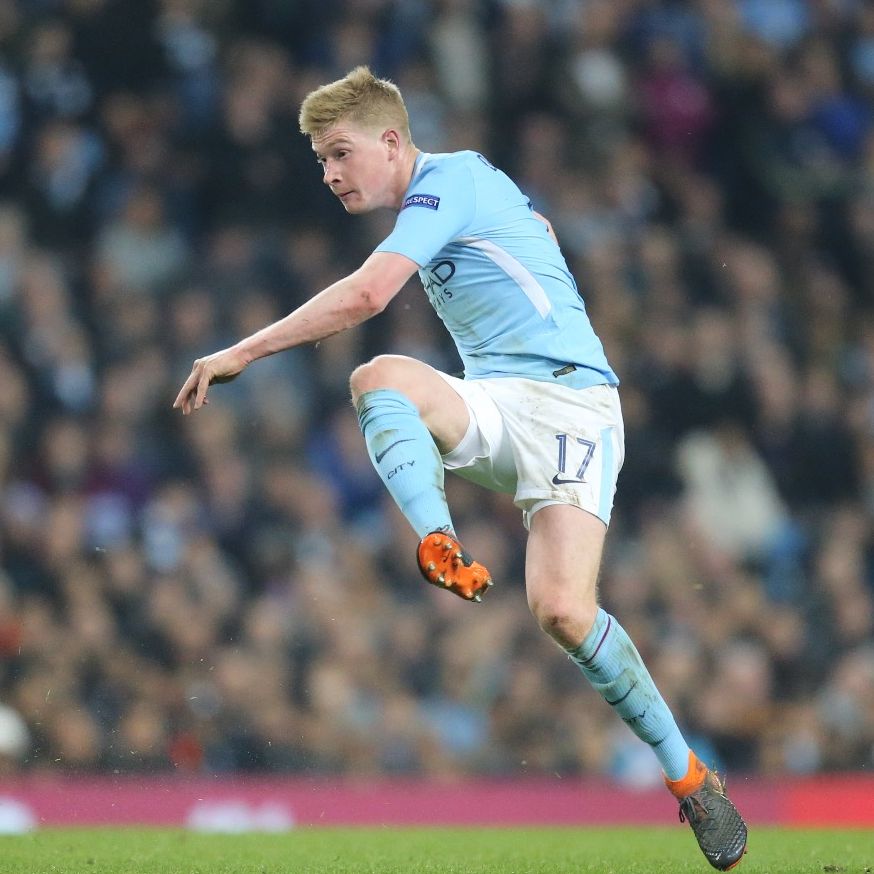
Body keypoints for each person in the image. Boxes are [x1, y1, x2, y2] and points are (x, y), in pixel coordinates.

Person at [174, 66, 748, 870]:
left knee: (562, 612)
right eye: (320, 161)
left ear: (391, 141)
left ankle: (689, 777)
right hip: (499, 402)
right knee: (379, 379)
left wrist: (243, 350)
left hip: (573, 407)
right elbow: (529, 228)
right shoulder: (457, 195)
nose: (330, 174)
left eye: (339, 153)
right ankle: (438, 541)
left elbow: (369, 295)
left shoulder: (450, 180)